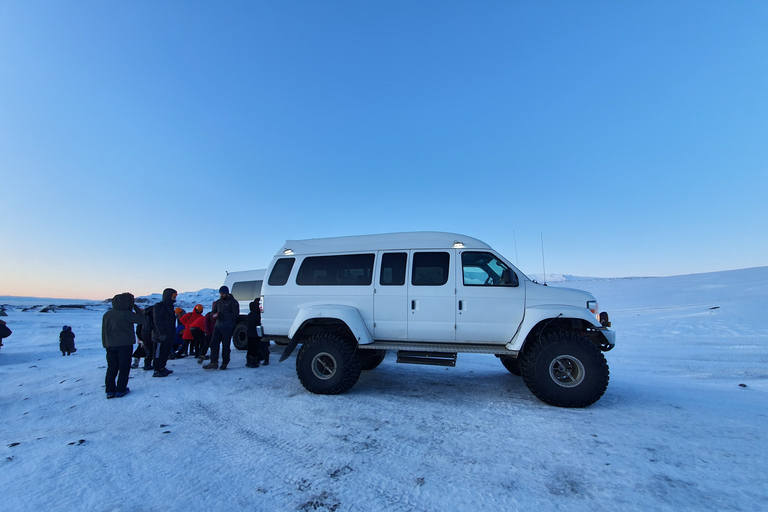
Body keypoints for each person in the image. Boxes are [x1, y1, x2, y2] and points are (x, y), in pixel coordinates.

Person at [101, 292, 145, 399]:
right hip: (125, 344)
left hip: (110, 344)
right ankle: (121, 389)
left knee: (111, 367)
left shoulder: (107, 314)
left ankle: (110, 390)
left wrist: (105, 343)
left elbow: (104, 330)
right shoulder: (127, 314)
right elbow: (142, 320)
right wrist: (135, 308)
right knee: (124, 367)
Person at [203, 286, 239, 370]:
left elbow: (236, 314)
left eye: (223, 293)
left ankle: (225, 362)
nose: (221, 295)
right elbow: (212, 313)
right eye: (220, 293)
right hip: (218, 326)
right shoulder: (218, 302)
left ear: (227, 293)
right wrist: (214, 316)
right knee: (213, 344)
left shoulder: (233, 302)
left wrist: (224, 316)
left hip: (228, 327)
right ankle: (213, 362)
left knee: (226, 346)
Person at [152, 288, 178, 377]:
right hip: (160, 335)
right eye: (173, 295)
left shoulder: (169, 306)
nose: (175, 297)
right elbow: (157, 321)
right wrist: (161, 333)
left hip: (168, 335)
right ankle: (157, 369)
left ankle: (162, 367)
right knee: (159, 353)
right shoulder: (159, 306)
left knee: (165, 352)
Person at [245, 299, 261, 368]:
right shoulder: (258, 315)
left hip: (249, 333)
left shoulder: (249, 315)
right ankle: (254, 361)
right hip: (256, 334)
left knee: (250, 348)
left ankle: (249, 361)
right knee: (255, 348)